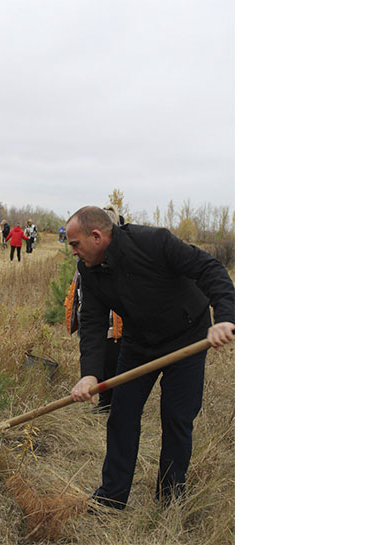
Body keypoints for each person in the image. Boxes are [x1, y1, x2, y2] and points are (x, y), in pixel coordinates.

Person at [67, 205, 235, 510]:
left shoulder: (153, 242)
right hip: (139, 344)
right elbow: (91, 322)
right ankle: (111, 497)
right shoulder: (89, 272)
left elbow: (209, 269)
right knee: (121, 417)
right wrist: (90, 373)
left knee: (176, 417)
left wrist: (224, 317)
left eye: (75, 244)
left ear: (95, 236)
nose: (74, 252)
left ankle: (170, 498)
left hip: (187, 337)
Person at [64, 205, 125, 414]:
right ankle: (105, 402)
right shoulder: (87, 261)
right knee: (100, 356)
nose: (74, 252)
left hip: (114, 321)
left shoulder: (125, 255)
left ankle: (111, 403)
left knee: (113, 361)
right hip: (96, 317)